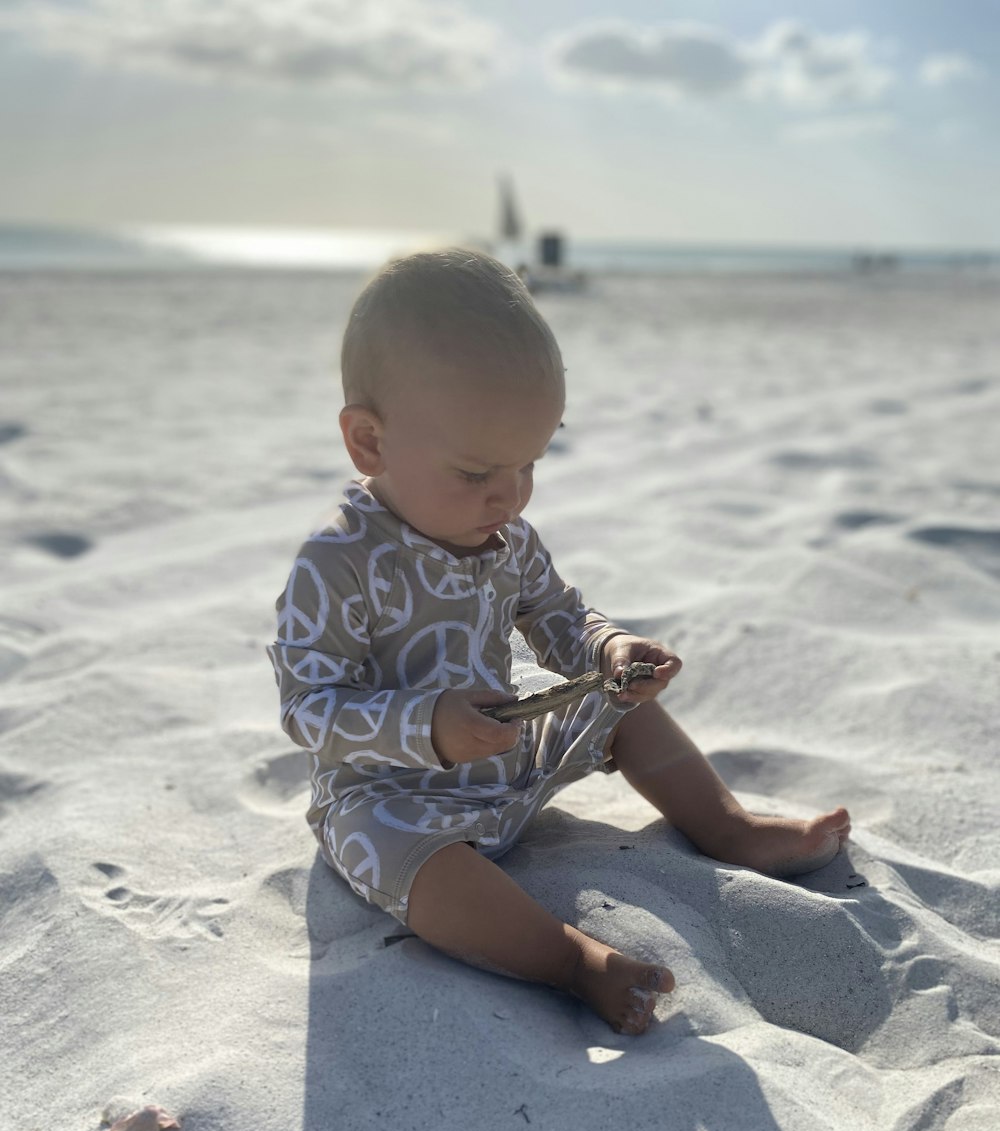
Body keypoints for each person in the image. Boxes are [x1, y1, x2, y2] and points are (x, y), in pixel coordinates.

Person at [267, 249, 850, 1035]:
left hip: (508, 754)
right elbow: (309, 707)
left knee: (623, 706)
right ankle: (569, 959)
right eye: (476, 471)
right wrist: (426, 725)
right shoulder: (337, 562)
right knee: (406, 858)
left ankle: (726, 826)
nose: (508, 496)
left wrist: (609, 652)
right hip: (388, 789)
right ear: (369, 443)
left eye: (528, 464)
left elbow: (559, 617)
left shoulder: (506, 535)